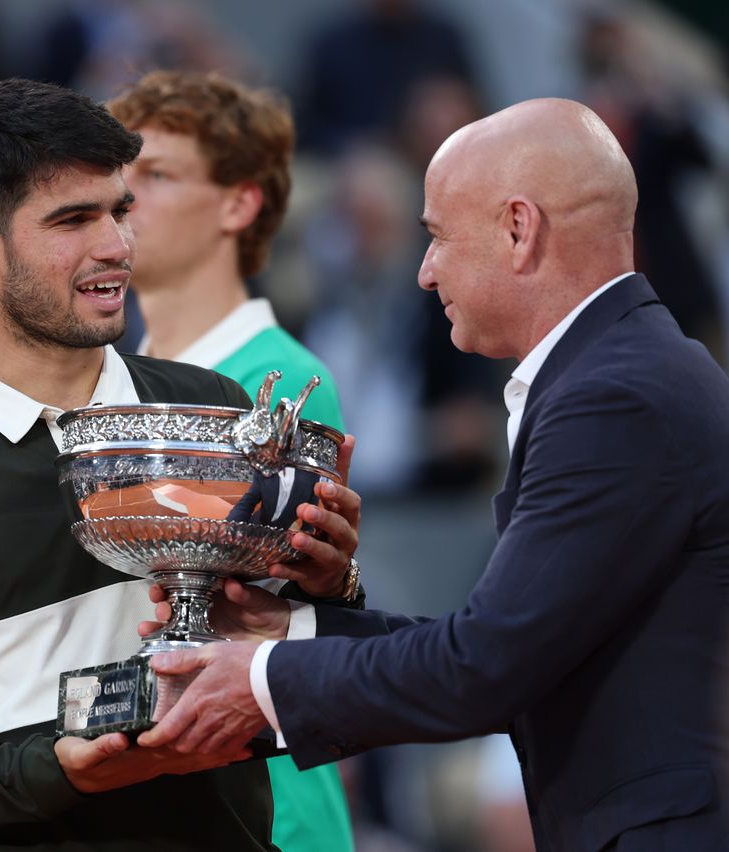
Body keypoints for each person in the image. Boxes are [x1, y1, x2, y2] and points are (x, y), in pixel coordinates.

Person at [139, 98, 729, 849]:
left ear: (519, 230)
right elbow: (501, 645)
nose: (424, 272)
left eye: (439, 238)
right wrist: (296, 625)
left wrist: (260, 680)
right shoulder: (628, 373)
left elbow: (484, 666)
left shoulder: (615, 397)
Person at [0, 78, 356, 850]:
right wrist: (55, 769)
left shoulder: (213, 411)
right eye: (73, 220)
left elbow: (290, 651)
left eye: (120, 210)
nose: (115, 247)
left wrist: (332, 585)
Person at [108, 69, 353, 852]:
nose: (127, 198)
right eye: (121, 178)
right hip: (135, 797)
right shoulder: (98, 387)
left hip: (264, 807)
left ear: (239, 203)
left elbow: (252, 611)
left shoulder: (285, 384)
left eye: (159, 174)